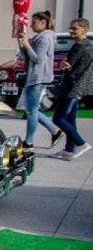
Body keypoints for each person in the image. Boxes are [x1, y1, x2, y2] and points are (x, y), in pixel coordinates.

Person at [18, 10, 62, 149]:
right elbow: (27, 55)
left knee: (31, 111)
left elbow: (38, 59)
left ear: (43, 23)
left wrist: (27, 44)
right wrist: (22, 43)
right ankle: (54, 130)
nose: (31, 25)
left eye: (34, 22)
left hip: (38, 78)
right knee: (32, 110)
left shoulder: (45, 38)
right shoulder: (39, 37)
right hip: (35, 77)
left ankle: (29, 141)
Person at [49, 18, 92, 160]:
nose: (71, 31)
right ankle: (69, 149)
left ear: (84, 30)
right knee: (70, 119)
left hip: (73, 88)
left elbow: (67, 65)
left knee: (58, 118)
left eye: (74, 29)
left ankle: (81, 143)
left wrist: (63, 65)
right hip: (79, 87)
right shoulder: (89, 45)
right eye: (70, 28)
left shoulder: (80, 46)